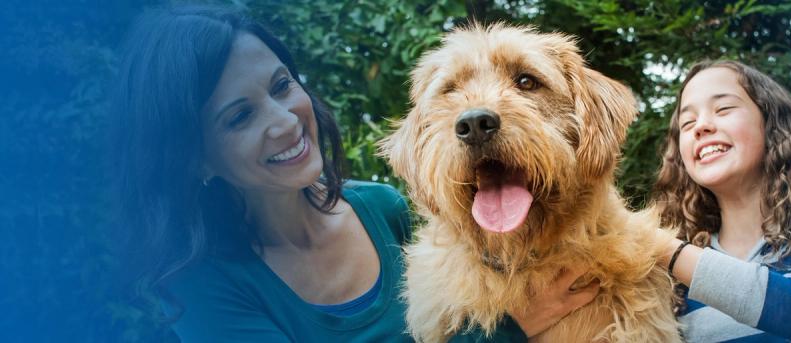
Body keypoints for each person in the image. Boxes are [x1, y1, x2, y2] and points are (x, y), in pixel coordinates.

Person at [112, 5, 596, 342]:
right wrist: (513, 327)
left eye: (282, 86)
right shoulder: (204, 286)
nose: (284, 121)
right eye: (240, 117)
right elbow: (494, 324)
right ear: (194, 157)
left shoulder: (383, 208)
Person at [653, 60, 791, 342]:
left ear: (770, 122)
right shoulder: (669, 285)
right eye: (687, 122)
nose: (702, 126)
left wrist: (663, 249)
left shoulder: (669, 255)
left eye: (723, 109)